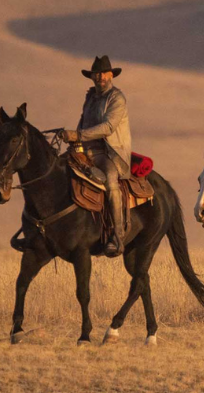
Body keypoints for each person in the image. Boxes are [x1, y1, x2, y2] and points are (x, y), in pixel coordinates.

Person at [61, 55, 132, 257]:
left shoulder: (117, 98)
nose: (99, 76)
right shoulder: (90, 97)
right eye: (96, 73)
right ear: (91, 76)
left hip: (109, 153)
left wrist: (79, 135)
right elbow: (83, 121)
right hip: (85, 150)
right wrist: (73, 140)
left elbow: (108, 127)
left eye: (103, 73)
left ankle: (117, 237)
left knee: (110, 181)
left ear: (111, 75)